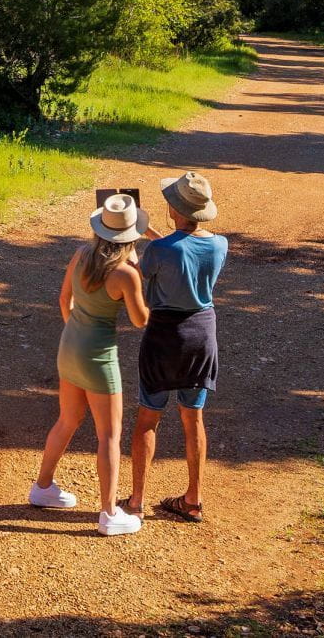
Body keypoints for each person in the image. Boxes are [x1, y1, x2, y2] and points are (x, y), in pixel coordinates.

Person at [30, 191, 151, 535]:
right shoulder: (126, 274)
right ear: (130, 236)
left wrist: (76, 328)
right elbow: (141, 320)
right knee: (109, 435)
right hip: (99, 356)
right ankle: (109, 513)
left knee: (67, 419)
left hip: (70, 346)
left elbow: (63, 298)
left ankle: (42, 487)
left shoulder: (81, 254)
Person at [126, 169, 228, 523]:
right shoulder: (220, 244)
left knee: (147, 420)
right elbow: (181, 251)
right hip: (202, 334)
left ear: (175, 208)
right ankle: (193, 499)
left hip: (164, 334)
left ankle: (136, 501)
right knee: (193, 418)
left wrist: (131, 237)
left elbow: (142, 270)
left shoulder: (158, 250)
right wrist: (151, 235)